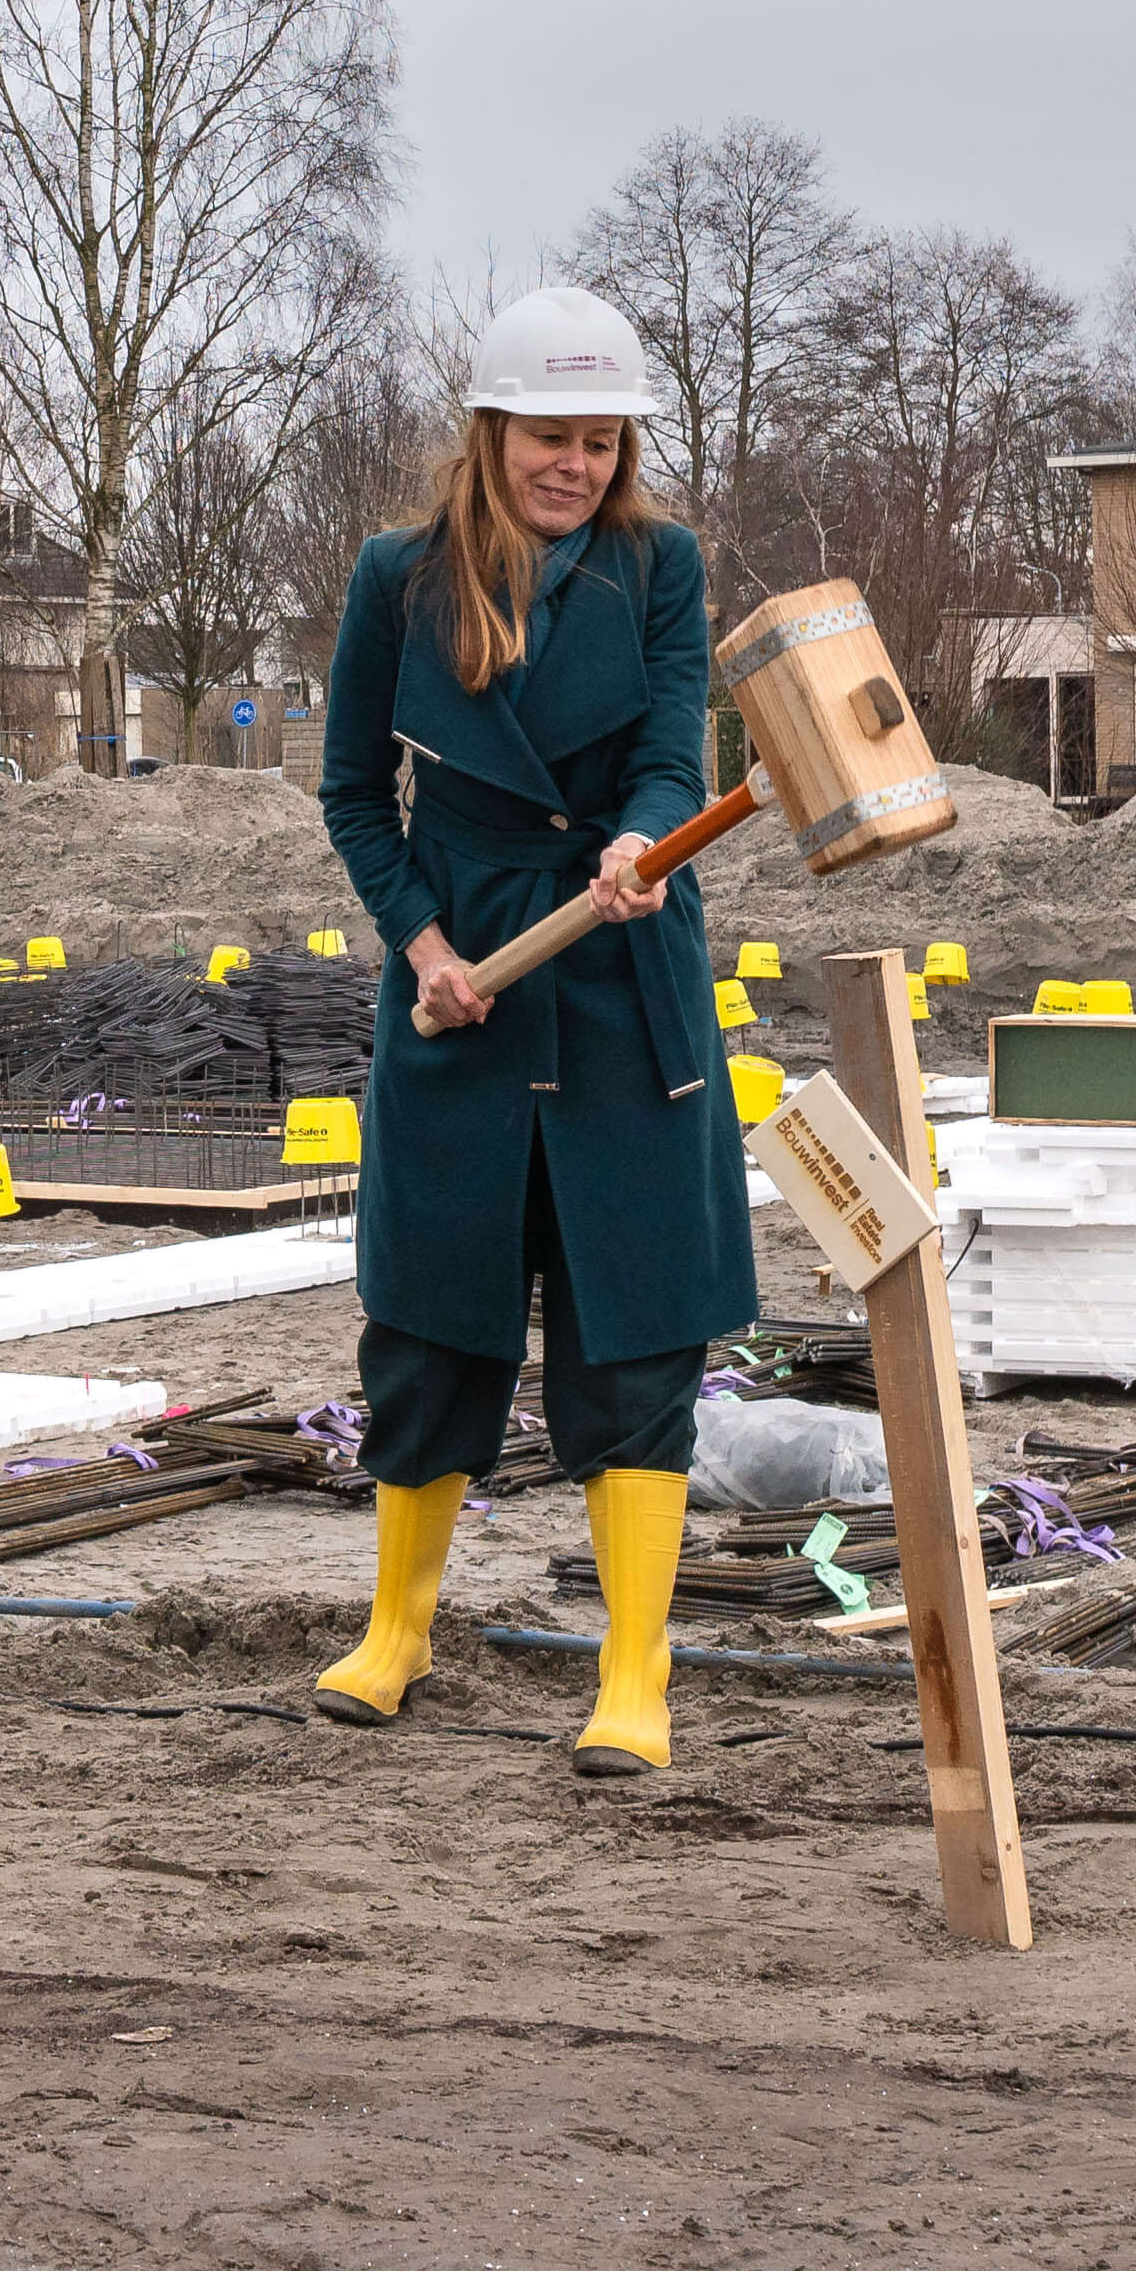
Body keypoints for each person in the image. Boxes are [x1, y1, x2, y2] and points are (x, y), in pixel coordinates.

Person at [304, 287, 758, 1772]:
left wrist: (643, 840)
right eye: (550, 438)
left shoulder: (659, 567)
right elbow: (358, 797)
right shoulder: (397, 578)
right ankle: (398, 1630)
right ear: (491, 432)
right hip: (468, 969)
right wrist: (425, 947)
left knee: (633, 1330)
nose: (576, 463)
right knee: (430, 1322)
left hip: (625, 961)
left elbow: (667, 741)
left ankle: (635, 1672)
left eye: (602, 439)